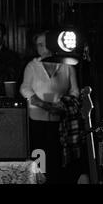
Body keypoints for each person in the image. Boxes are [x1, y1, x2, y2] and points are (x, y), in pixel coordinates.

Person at [20, 31, 81, 183]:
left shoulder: (66, 65)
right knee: (40, 157)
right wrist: (39, 102)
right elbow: (25, 88)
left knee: (58, 158)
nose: (44, 48)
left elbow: (75, 91)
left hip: (60, 120)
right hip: (37, 120)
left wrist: (63, 104)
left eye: (47, 43)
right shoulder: (32, 66)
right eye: (40, 45)